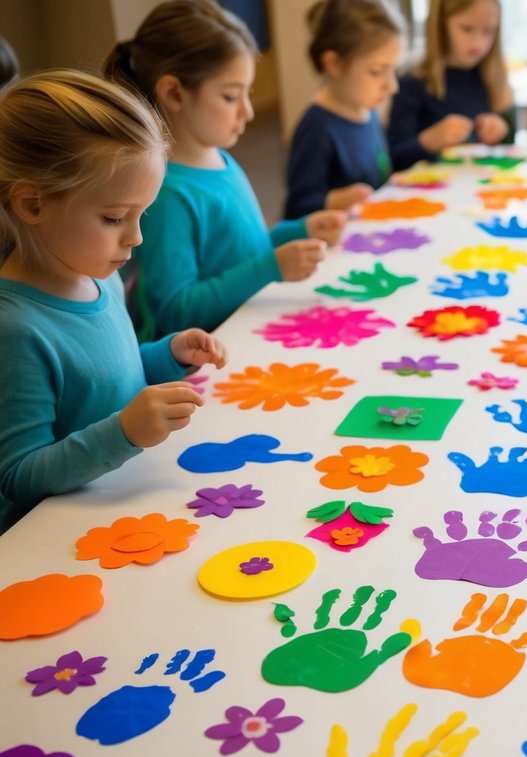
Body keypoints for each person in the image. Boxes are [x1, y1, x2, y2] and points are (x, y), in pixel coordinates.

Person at [0, 70, 227, 534]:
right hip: (55, 539)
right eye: (115, 217)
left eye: (142, 214)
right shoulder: (16, 330)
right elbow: (18, 477)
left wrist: (166, 355)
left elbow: (104, 379)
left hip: (122, 500)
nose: (137, 236)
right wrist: (123, 432)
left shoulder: (100, 278)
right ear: (32, 205)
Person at [104, 0, 343, 341]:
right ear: (174, 93)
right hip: (210, 359)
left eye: (249, 94)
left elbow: (237, 255)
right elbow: (174, 311)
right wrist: (270, 268)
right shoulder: (167, 194)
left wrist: (298, 231)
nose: (247, 112)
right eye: (231, 97)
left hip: (247, 330)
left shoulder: (218, 157)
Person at [285, 0, 406, 218]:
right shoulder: (317, 129)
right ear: (334, 64)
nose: (392, 86)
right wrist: (336, 200)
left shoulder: (368, 112)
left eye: (393, 70)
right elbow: (298, 208)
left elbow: (378, 171)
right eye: (378, 71)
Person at [388, 0, 515, 170]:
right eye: (466, 28)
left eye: (489, 31)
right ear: (440, 24)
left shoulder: (493, 79)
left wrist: (500, 131)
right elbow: (393, 158)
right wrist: (429, 141)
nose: (478, 43)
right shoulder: (412, 80)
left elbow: (511, 149)